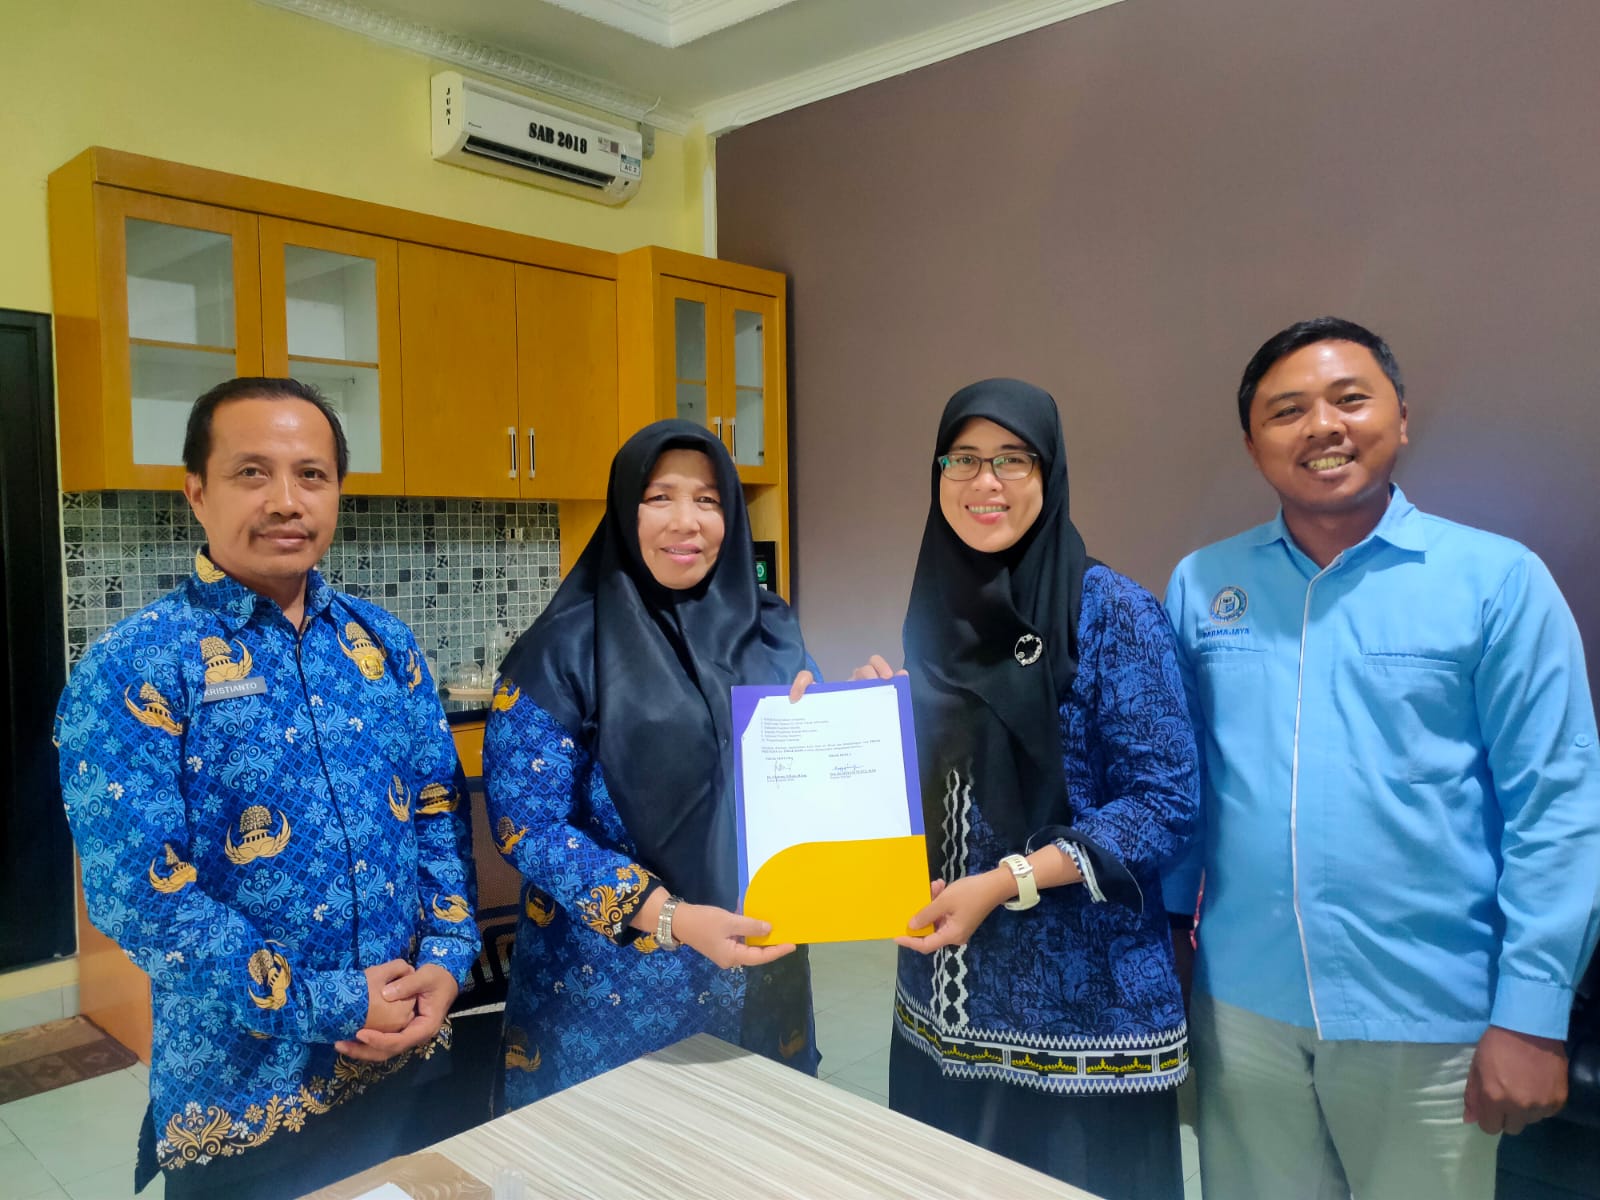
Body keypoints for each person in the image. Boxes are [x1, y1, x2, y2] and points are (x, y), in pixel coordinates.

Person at [1164, 317, 1600, 1199]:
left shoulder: (1496, 581)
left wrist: (1533, 1014)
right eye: (1287, 410)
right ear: (1252, 444)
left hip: (1431, 1017)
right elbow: (1183, 782)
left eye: (1349, 399)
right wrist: (1169, 943)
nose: (1322, 426)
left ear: (1401, 418)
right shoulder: (1203, 584)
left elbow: (1557, 803)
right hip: (1240, 1004)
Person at [55, 378, 480, 1199]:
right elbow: (139, 895)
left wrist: (448, 959)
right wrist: (327, 1001)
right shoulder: (135, 665)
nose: (286, 500)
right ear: (196, 491)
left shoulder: (383, 644)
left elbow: (436, 814)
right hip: (246, 1093)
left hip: (407, 1058)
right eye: (252, 472)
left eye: (311, 474)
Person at [864, 379, 1197, 1199]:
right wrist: (873, 731)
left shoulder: (1112, 613)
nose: (987, 482)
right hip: (938, 1013)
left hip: (1086, 1032)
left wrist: (1008, 880)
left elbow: (1164, 803)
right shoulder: (934, 613)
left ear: (1049, 474)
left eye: (1013, 459)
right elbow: (950, 795)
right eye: (964, 460)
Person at [484, 418, 817, 1109]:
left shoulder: (773, 633)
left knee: (756, 1149)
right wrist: (670, 917)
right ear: (624, 509)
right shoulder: (563, 650)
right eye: (659, 497)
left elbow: (807, 784)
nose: (686, 521)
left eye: (708, 500)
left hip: (764, 973)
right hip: (613, 992)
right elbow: (528, 828)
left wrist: (863, 714)